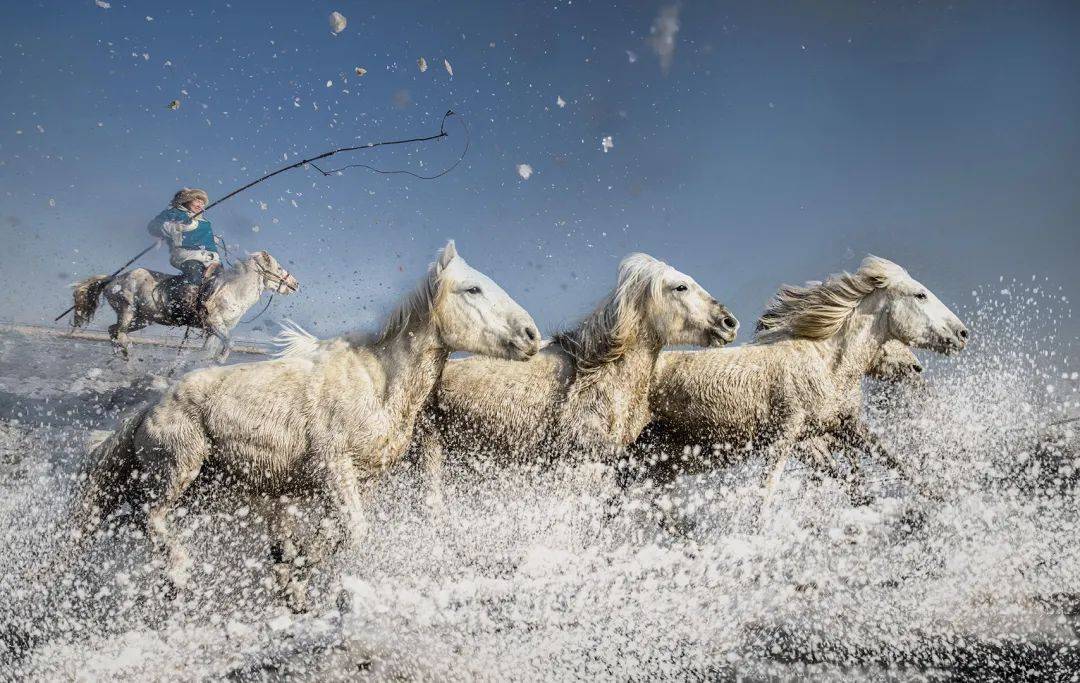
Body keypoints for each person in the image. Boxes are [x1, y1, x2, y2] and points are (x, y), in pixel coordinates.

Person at [146, 188, 220, 321]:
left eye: (202, 202)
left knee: (221, 278)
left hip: (210, 258)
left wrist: (211, 239)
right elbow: (153, 226)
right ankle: (186, 305)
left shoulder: (204, 221)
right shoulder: (175, 213)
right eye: (197, 200)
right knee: (194, 273)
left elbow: (199, 236)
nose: (200, 204)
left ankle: (210, 305)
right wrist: (174, 227)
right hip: (186, 255)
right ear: (187, 200)